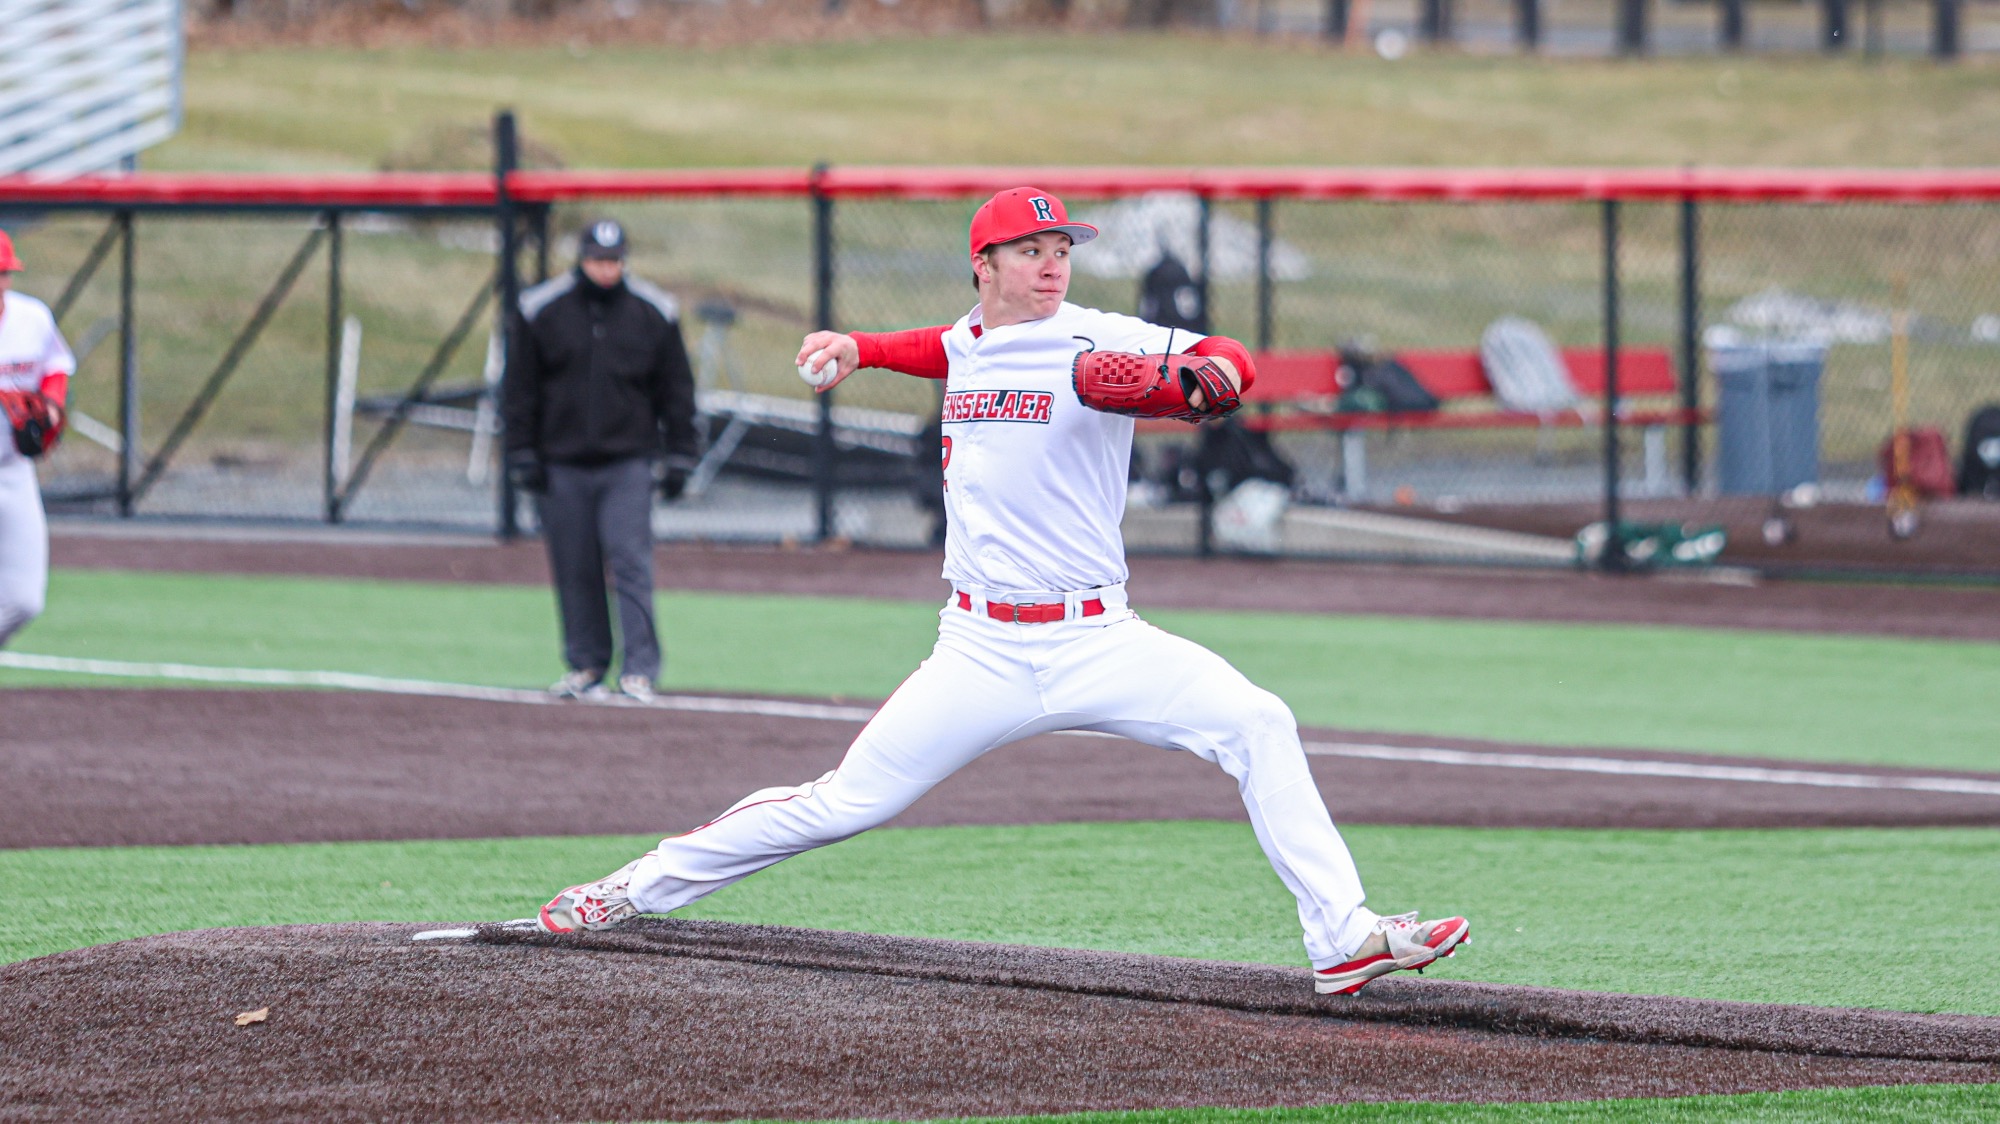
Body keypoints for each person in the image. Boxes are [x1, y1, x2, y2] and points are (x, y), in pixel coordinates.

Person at [531, 189, 1467, 996]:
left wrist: (1211, 377)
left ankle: (1342, 938)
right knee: (845, 801)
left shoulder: (1098, 336)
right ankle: (634, 887)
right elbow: (943, 346)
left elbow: (1229, 358)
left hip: (1102, 637)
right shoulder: (972, 341)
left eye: (1062, 250)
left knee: (1258, 720)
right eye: (1033, 251)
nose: (1053, 265)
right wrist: (859, 346)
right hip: (978, 650)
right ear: (984, 264)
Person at [503, 220, 697, 703]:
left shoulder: (654, 311)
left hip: (627, 461)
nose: (606, 270)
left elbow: (676, 391)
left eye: (614, 261)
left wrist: (680, 455)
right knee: (575, 564)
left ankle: (638, 670)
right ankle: (587, 664)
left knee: (630, 561)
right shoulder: (541, 310)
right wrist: (522, 451)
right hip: (561, 461)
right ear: (582, 258)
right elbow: (519, 389)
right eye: (598, 260)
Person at [0, 230, 74, 650]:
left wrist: (50, 403)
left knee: (24, 600)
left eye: (4, 273)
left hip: (14, 471)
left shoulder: (32, 318)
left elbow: (56, 364)